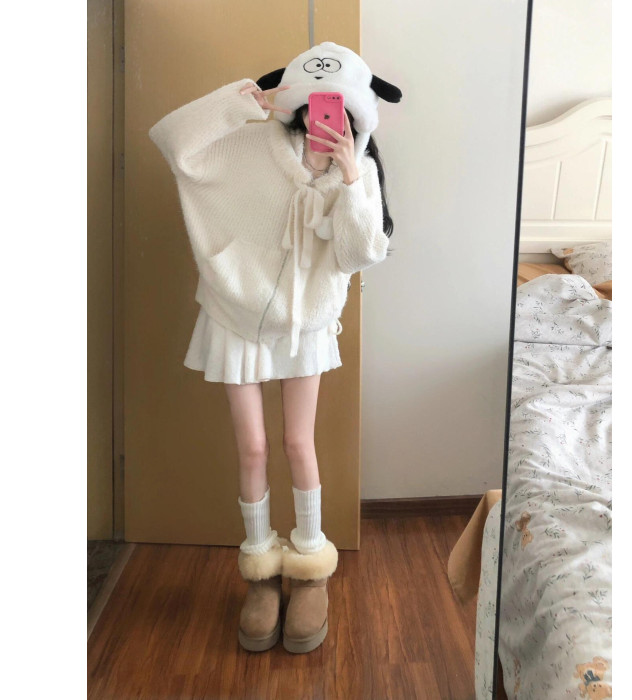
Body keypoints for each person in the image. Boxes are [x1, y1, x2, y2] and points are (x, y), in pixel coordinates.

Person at [148, 41, 401, 654]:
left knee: (296, 443)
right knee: (254, 447)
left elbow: (360, 254)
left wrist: (350, 175)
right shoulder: (255, 146)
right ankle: (259, 572)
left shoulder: (360, 171)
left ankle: (310, 567)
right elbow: (173, 142)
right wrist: (241, 102)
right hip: (236, 314)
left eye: (338, 110)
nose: (323, 120)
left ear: (356, 115)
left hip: (304, 325)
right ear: (298, 106)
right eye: (314, 107)